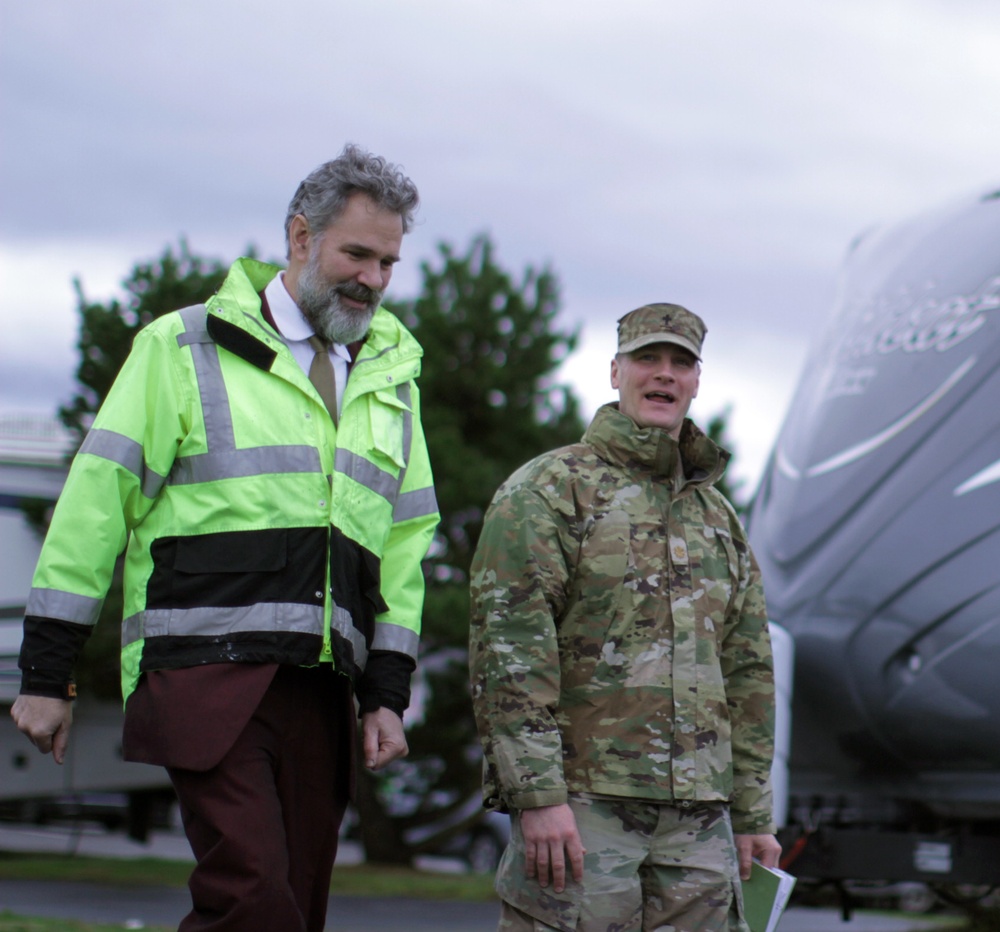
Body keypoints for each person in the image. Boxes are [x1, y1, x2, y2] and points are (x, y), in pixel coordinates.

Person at [11, 144, 439, 932]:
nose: (373, 280)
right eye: (357, 253)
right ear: (300, 237)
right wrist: (47, 671)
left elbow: (405, 548)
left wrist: (386, 692)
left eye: (387, 262)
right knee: (252, 900)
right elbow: (94, 504)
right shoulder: (179, 347)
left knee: (295, 909)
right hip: (202, 671)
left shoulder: (392, 383)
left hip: (321, 689)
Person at [469, 303, 780, 931]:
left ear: (696, 380)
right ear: (615, 371)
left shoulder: (717, 517)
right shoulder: (551, 490)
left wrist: (751, 815)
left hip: (700, 826)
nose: (664, 375)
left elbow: (747, 674)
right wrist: (537, 797)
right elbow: (509, 652)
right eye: (647, 359)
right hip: (583, 811)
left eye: (680, 363)